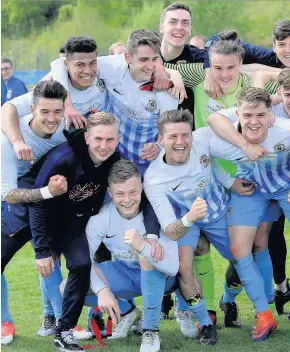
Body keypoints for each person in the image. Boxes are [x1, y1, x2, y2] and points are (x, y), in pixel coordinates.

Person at [206, 87, 290, 342]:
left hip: (289, 189)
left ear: (271, 116)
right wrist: (229, 182)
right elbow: (206, 153)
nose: (254, 122)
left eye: (260, 115)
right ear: (237, 114)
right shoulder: (223, 138)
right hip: (252, 191)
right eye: (247, 115)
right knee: (240, 249)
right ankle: (265, 315)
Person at [8, 112, 122, 352]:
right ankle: (29, 318)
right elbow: (38, 202)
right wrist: (41, 249)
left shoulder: (114, 161)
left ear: (118, 139)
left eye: (110, 140)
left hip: (73, 222)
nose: (104, 146)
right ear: (88, 137)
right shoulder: (64, 158)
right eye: (99, 139)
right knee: (40, 264)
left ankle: (64, 330)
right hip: (36, 215)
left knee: (81, 264)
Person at [144, 109, 245, 345]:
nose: (180, 142)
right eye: (172, 137)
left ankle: (228, 299)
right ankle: (206, 324)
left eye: (185, 135)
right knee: (184, 267)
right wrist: (190, 217)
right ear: (161, 140)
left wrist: (273, 103)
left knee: (244, 261)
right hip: (185, 222)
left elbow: (242, 114)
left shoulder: (202, 138)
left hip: (219, 212)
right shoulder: (154, 179)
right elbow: (170, 229)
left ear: (192, 134)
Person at [50, 29, 182, 174]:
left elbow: (170, 130)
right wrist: (67, 105)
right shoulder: (113, 67)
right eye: (143, 60)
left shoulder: (167, 92)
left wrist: (158, 145)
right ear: (127, 57)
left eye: (155, 59)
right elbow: (59, 64)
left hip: (147, 161)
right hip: (111, 155)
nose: (150, 66)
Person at [83, 159, 178, 352]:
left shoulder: (158, 212)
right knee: (68, 287)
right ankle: (128, 311)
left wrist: (144, 247)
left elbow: (173, 267)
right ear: (110, 193)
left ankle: (151, 331)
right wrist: (102, 290)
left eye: (133, 192)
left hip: (164, 279)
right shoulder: (100, 219)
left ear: (142, 187)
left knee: (146, 258)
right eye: (119, 193)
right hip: (125, 275)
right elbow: (85, 261)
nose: (127, 199)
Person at [1, 81, 69, 346]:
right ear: (32, 109)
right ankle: (4, 322)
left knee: (49, 254)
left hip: (45, 195)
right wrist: (47, 193)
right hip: (12, 197)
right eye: (45, 112)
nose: (51, 118)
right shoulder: (8, 142)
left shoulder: (66, 129)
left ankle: (64, 322)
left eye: (57, 111)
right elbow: (9, 194)